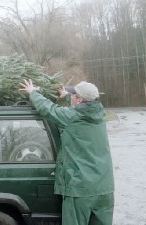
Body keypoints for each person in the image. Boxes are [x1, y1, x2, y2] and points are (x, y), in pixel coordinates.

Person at [19, 79, 114, 225]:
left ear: (79, 99)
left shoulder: (71, 117)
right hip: (104, 189)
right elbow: (82, 107)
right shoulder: (100, 115)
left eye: (73, 94)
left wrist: (33, 92)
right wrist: (67, 96)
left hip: (80, 189)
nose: (71, 96)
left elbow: (48, 109)